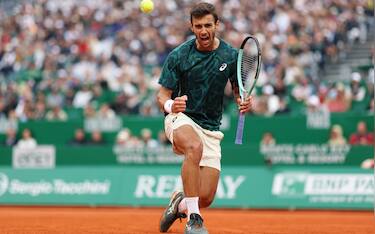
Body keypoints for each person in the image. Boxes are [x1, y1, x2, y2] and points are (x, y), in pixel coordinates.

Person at [156, 2, 252, 234]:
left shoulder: (231, 55)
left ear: (217, 24)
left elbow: (238, 89)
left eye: (208, 25)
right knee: (193, 146)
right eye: (198, 26)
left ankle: (180, 203)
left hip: (211, 127)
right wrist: (171, 105)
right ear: (191, 27)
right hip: (181, 119)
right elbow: (162, 95)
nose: (203, 30)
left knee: (205, 197)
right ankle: (194, 219)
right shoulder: (179, 55)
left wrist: (243, 100)